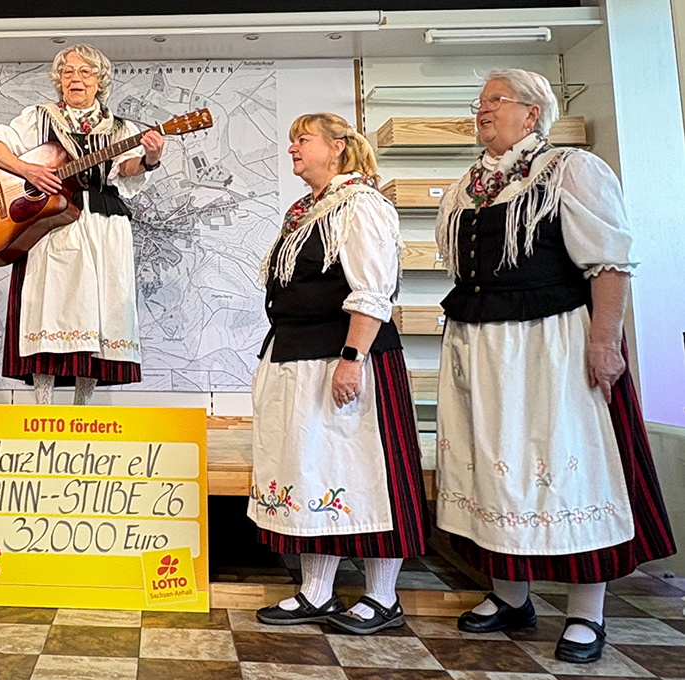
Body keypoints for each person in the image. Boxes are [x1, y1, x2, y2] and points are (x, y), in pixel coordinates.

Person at [434, 68, 675, 663]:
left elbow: (609, 263)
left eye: (495, 99)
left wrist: (605, 341)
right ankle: (510, 596)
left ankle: (587, 613)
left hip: (550, 346)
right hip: (481, 348)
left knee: (571, 467)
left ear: (532, 112)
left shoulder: (570, 169)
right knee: (495, 469)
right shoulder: (471, 186)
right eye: (480, 100)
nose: (482, 109)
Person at [248, 113, 429, 635]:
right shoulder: (309, 211)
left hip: (345, 358)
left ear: (338, 147)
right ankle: (317, 592)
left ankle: (383, 596)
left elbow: (373, 288)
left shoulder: (361, 205)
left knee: (368, 472)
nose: (293, 148)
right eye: (292, 141)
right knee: (313, 473)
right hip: (301, 357)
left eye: (302, 140)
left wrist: (352, 358)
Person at [0, 43, 164, 405]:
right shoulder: (39, 118)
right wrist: (28, 170)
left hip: (102, 225)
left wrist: (150, 158)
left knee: (100, 308)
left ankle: (83, 408)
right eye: (67, 72)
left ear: (99, 81)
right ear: (58, 80)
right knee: (48, 306)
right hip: (50, 222)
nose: (75, 78)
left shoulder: (119, 127)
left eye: (84, 72)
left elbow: (125, 170)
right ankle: (43, 405)